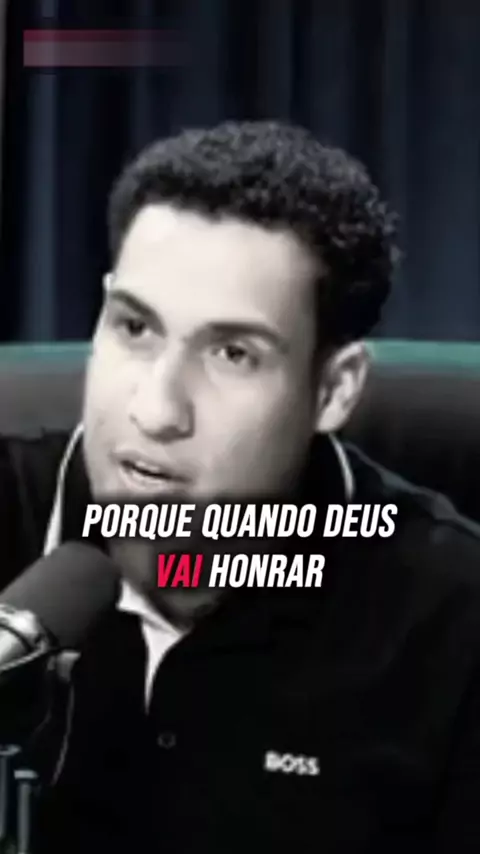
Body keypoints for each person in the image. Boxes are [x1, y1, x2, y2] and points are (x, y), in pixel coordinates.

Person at [1, 120, 480, 853]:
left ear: (334, 389)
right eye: (135, 328)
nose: (156, 410)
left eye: (232, 353)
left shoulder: (454, 626)